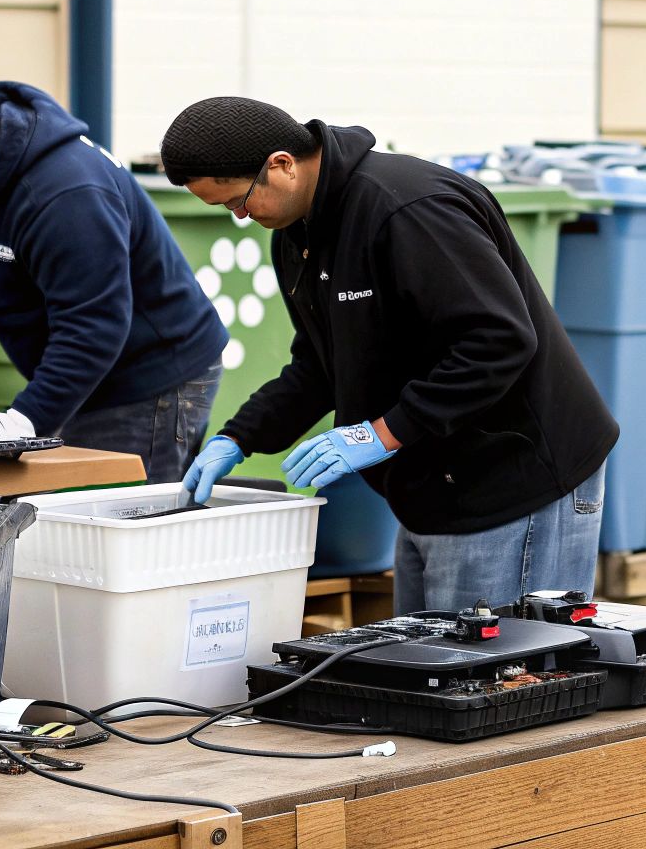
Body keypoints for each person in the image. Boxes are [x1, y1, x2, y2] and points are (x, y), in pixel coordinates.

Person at [163, 96, 618, 613]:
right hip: (432, 483)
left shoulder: (408, 209)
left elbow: (498, 339)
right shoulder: (299, 232)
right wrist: (239, 437)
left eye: (237, 201)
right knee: (429, 669)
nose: (241, 216)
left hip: (516, 477)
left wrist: (383, 432)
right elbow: (319, 363)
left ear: (282, 165)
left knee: (503, 674)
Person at [0, 82, 227, 480]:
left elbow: (93, 326)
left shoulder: (67, 195)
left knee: (116, 516)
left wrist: (24, 420)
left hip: (150, 374)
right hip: (79, 363)